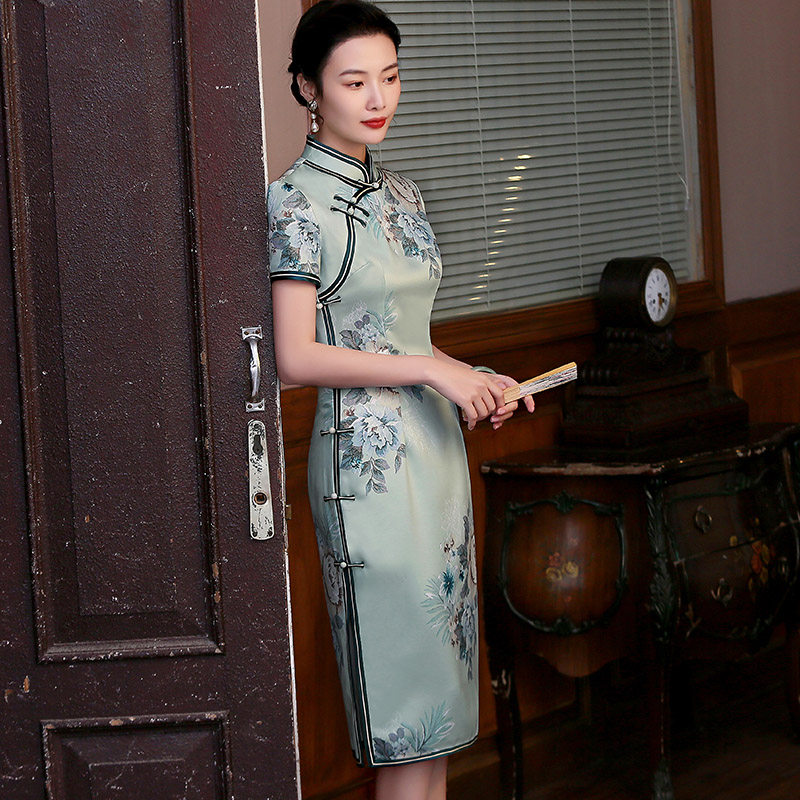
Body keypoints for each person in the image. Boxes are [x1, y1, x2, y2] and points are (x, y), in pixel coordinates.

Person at [267, 2, 535, 797]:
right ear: (308, 88)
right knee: (405, 719)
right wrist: (432, 373)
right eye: (355, 82)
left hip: (435, 457)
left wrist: (473, 377)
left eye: (389, 77)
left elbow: (406, 336)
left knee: (438, 724)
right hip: (367, 473)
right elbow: (293, 356)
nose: (378, 98)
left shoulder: (405, 194)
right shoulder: (293, 203)